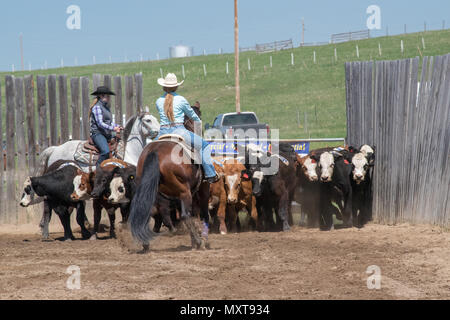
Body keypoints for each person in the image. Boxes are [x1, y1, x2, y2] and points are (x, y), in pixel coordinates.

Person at [155, 73, 219, 183]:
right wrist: (198, 121)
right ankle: (210, 174)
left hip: (162, 132)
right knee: (204, 146)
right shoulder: (181, 99)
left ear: (164, 86)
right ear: (176, 86)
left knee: (147, 150)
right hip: (179, 131)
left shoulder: (158, 101)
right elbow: (191, 114)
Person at [89, 86, 123, 167]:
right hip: (97, 134)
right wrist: (113, 128)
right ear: (101, 96)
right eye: (107, 96)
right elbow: (100, 123)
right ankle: (97, 169)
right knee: (105, 151)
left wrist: (118, 126)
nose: (109, 98)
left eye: (109, 96)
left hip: (105, 133)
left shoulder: (106, 107)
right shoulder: (97, 107)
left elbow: (109, 122)